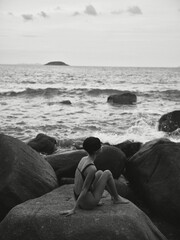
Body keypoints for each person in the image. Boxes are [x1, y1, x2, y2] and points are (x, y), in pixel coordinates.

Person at [60, 137, 129, 217]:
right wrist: (73, 209)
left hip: (77, 196)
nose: (102, 146)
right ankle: (116, 198)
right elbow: (84, 189)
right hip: (87, 203)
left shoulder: (83, 159)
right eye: (100, 145)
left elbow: (80, 180)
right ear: (96, 151)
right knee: (107, 173)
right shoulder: (91, 168)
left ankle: (112, 196)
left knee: (99, 173)